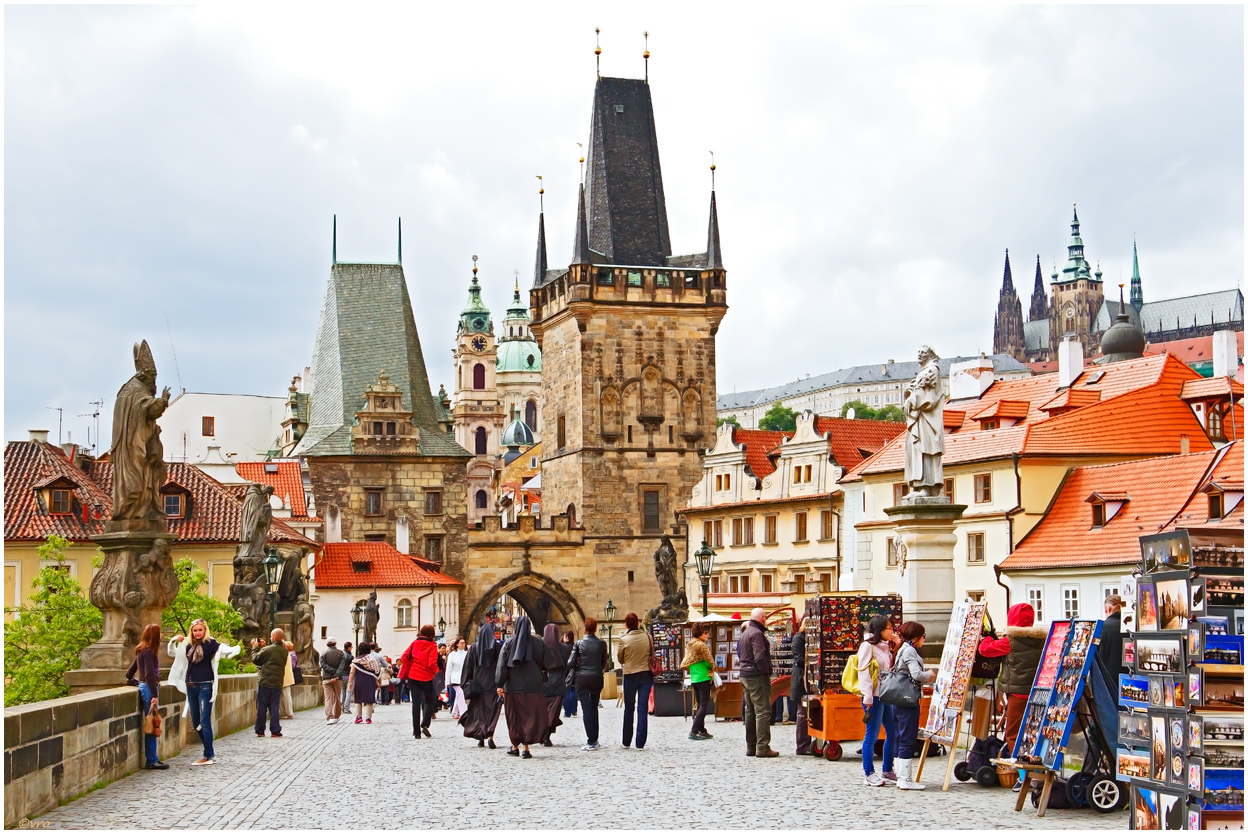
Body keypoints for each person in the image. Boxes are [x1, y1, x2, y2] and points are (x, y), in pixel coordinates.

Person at [167, 619, 242, 765]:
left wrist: (234, 649)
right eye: (195, 630)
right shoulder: (187, 644)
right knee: (195, 722)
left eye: (200, 630)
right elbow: (171, 653)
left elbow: (225, 649)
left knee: (204, 721)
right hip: (190, 685)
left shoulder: (211, 644)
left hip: (205, 685)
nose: (197, 633)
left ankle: (208, 755)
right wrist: (174, 640)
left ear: (205, 630)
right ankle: (209, 752)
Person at [999, 602, 1045, 790]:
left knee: (1014, 734)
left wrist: (986, 639)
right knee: (1034, 733)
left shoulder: (1009, 641)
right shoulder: (1043, 639)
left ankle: (1023, 776)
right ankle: (1040, 772)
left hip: (1017, 695)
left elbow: (985, 649)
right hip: (1038, 694)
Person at [495, 615, 550, 758]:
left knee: (514, 718)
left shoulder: (509, 644)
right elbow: (547, 663)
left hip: (513, 688)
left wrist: (499, 683)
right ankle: (526, 748)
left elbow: (502, 666)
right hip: (533, 687)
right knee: (529, 717)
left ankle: (515, 746)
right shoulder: (539, 643)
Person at [892, 622, 938, 790]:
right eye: (923, 635)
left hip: (898, 699)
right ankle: (905, 779)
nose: (924, 639)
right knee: (907, 737)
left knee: (899, 736)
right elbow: (917, 674)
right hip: (907, 699)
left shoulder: (902, 648)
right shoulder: (910, 650)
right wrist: (930, 675)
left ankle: (900, 776)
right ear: (917, 636)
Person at [858, 615, 897, 785]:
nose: (892, 632)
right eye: (889, 628)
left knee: (893, 732)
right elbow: (864, 672)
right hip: (873, 696)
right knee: (872, 735)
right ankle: (869, 773)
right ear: (880, 630)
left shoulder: (885, 647)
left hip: (886, 694)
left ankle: (887, 769)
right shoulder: (868, 646)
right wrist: (867, 697)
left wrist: (898, 645)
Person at [738, 607, 778, 758]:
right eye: (765, 617)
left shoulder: (746, 632)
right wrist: (766, 671)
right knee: (762, 711)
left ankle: (751, 746)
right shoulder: (757, 634)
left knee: (750, 711)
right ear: (762, 618)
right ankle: (762, 746)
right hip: (756, 675)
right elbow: (759, 656)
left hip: (745, 674)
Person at [127, 623, 168, 770]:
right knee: (152, 723)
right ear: (156, 635)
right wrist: (155, 694)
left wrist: (135, 682)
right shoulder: (150, 651)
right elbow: (150, 674)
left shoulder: (141, 649)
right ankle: (151, 759)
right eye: (160, 633)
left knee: (151, 722)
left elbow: (129, 672)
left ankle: (152, 758)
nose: (162, 635)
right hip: (150, 688)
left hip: (144, 686)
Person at [568, 618, 611, 750]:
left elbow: (570, 662)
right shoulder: (602, 644)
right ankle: (595, 739)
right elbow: (604, 663)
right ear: (596, 628)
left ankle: (591, 741)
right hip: (597, 678)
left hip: (582, 679)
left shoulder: (579, 644)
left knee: (586, 709)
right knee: (594, 707)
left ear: (585, 628)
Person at [460, 622, 503, 748]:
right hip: (494, 685)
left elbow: (468, 667)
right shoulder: (498, 647)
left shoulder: (474, 648)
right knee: (493, 712)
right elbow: (502, 666)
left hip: (479, 686)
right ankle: (490, 735)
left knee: (480, 713)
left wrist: (465, 682)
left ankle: (481, 737)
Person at [616, 612, 654, 750]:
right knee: (642, 709)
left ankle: (626, 741)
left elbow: (620, 659)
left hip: (630, 675)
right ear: (638, 623)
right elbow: (652, 652)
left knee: (629, 709)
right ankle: (640, 743)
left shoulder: (624, 640)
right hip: (645, 675)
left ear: (626, 625)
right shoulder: (648, 637)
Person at [399, 625, 441, 738]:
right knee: (429, 701)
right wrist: (436, 671)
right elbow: (432, 663)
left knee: (415, 705)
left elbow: (403, 657)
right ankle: (425, 724)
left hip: (413, 676)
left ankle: (416, 732)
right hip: (427, 678)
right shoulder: (432, 645)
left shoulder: (415, 643)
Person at [250, 628, 289, 738]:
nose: (271, 638)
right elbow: (271, 657)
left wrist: (255, 647)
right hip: (277, 683)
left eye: (271, 636)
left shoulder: (268, 649)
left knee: (262, 707)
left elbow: (256, 659)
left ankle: (260, 730)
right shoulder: (284, 650)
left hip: (265, 682)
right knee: (275, 706)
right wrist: (264, 647)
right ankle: (275, 730)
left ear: (275, 637)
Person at [680, 621, 714, 741]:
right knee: (703, 705)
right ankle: (694, 731)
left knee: (700, 705)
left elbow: (689, 661)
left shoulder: (690, 645)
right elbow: (708, 661)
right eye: (705, 633)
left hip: (694, 678)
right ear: (699, 633)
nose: (707, 635)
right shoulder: (701, 645)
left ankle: (702, 730)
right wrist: (712, 669)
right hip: (703, 677)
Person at [539, 623, 569, 746]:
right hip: (558, 682)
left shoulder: (540, 646)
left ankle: (542, 734)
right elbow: (567, 665)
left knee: (542, 710)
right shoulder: (563, 648)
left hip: (543, 682)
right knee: (553, 712)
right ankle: (547, 736)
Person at [348, 641, 383, 724]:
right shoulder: (371, 659)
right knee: (369, 699)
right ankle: (368, 718)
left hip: (359, 680)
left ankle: (358, 717)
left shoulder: (356, 660)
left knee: (358, 699)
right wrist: (379, 682)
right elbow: (377, 671)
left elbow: (352, 672)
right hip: (370, 681)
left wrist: (350, 683)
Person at [791, 618, 810, 755]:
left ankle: (807, 743)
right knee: (802, 712)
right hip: (800, 679)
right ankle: (802, 746)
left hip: (808, 679)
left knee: (808, 712)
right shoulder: (799, 638)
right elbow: (799, 659)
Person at [319, 638, 349, 724]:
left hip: (326, 678)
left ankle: (329, 716)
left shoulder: (323, 653)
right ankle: (336, 715)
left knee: (328, 698)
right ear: (335, 643)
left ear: (327, 644)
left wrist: (331, 672)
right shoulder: (340, 653)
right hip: (337, 679)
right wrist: (336, 675)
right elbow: (342, 666)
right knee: (337, 697)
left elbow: (323, 665)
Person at [445, 638, 468, 717]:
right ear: (457, 644)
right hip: (455, 678)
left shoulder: (467, 653)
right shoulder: (452, 654)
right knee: (461, 694)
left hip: (464, 678)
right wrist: (447, 681)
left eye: (464, 643)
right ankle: (463, 713)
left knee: (459, 695)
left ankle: (454, 712)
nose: (463, 644)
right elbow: (449, 668)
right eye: (461, 643)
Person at [560, 631, 579, 718]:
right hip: (575, 671)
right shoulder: (576, 646)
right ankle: (574, 709)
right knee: (574, 690)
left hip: (565, 671)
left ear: (567, 637)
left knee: (567, 691)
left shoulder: (563, 647)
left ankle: (567, 711)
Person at [280, 641, 297, 719]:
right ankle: (285, 713)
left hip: (284, 677)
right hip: (286, 677)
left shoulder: (287, 654)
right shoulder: (288, 654)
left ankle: (288, 713)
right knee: (285, 695)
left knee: (285, 696)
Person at [340, 641, 354, 713]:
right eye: (351, 647)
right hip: (348, 676)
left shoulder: (341, 654)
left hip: (341, 676)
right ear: (348, 648)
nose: (352, 648)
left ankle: (342, 707)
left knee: (343, 692)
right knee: (349, 692)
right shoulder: (350, 656)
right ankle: (346, 708)